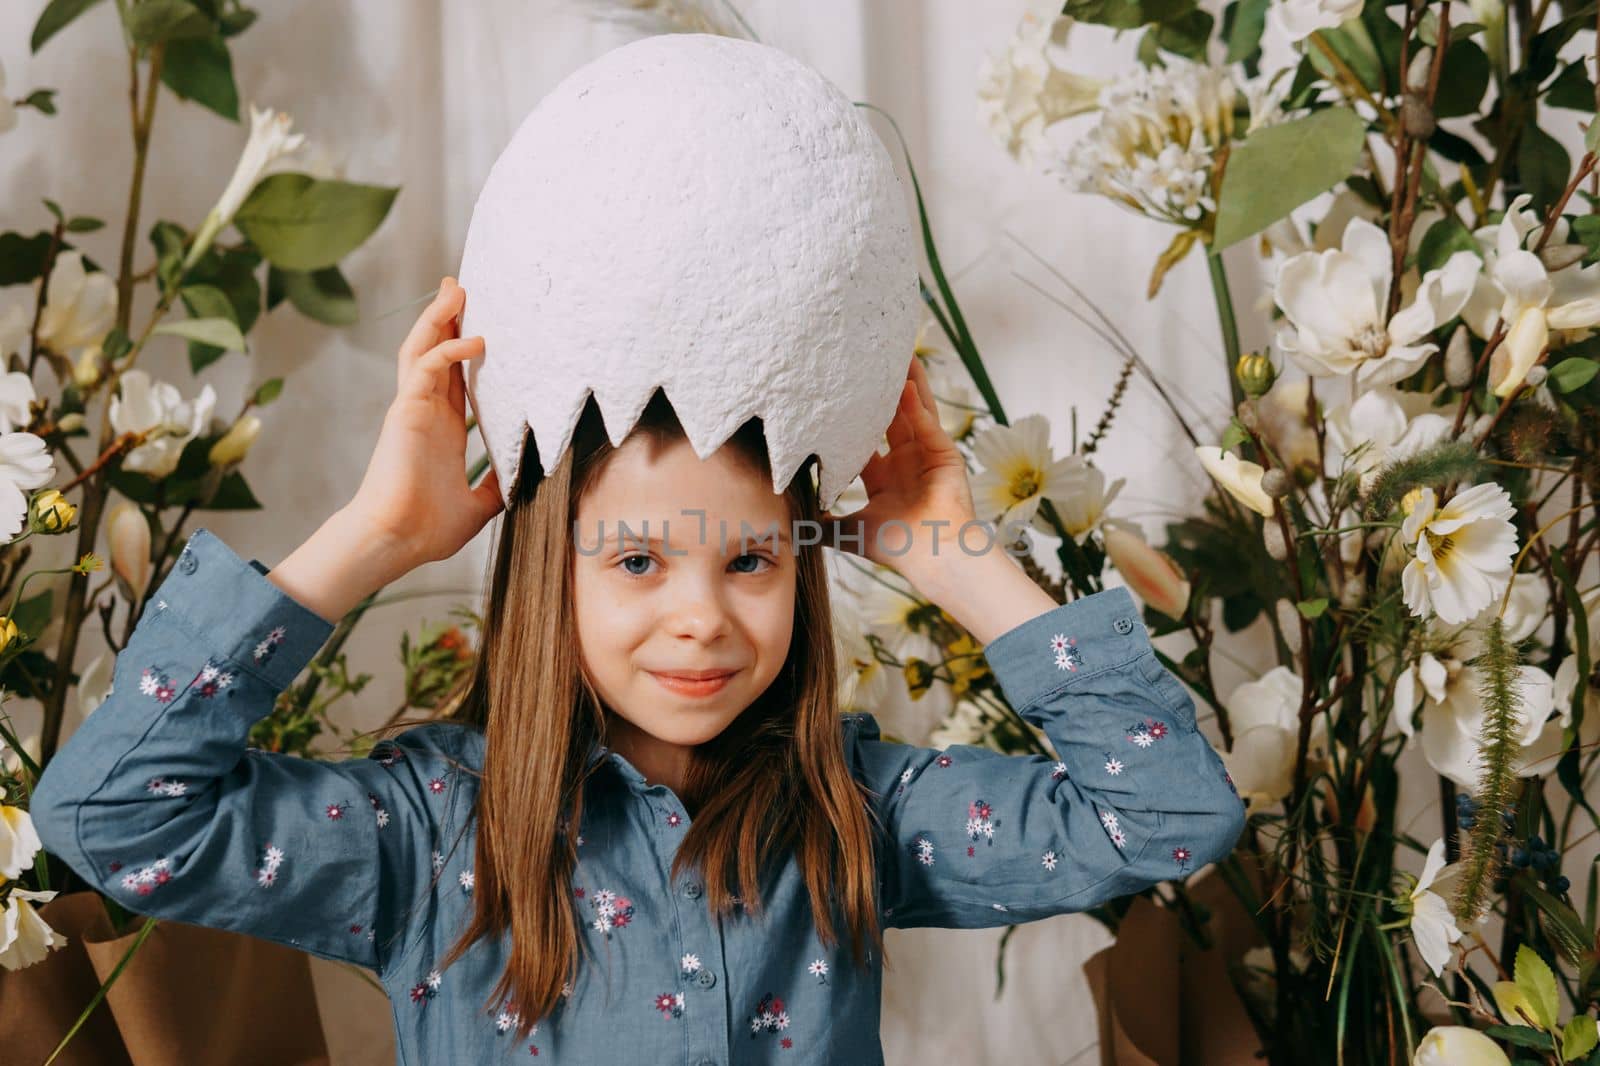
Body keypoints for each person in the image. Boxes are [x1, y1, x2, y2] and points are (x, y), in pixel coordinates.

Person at [31, 277, 1247, 1064]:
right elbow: (108, 817)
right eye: (636, 561)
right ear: (548, 576)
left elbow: (1172, 818)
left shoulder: (852, 812)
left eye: (753, 561)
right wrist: (377, 538)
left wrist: (959, 552)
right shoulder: (425, 833)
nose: (702, 619)